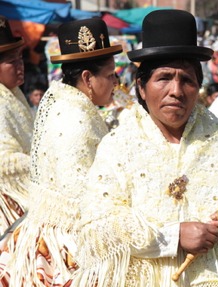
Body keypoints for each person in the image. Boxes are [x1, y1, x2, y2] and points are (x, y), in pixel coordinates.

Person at [72, 10, 218, 287]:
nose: (176, 90)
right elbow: (95, 229)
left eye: (187, 80)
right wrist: (172, 237)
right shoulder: (118, 147)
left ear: (199, 88)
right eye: (164, 78)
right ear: (141, 87)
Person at [0, 18, 122, 286]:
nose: (116, 81)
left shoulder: (67, 100)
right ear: (88, 78)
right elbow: (81, 199)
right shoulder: (73, 118)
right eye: (111, 74)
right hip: (63, 240)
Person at [0, 15, 33, 234]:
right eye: (12, 61)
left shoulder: (13, 93)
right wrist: (42, 162)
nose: (20, 66)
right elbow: (4, 160)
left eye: (20, 58)